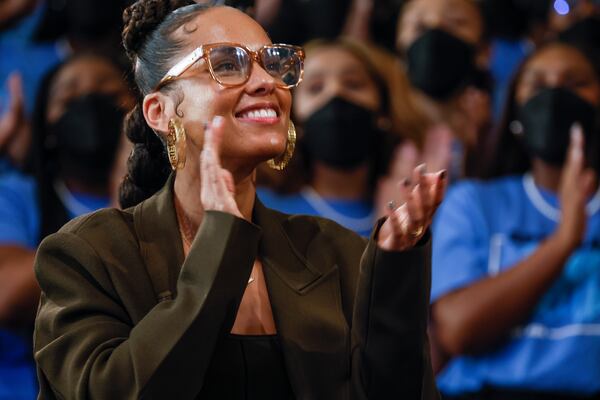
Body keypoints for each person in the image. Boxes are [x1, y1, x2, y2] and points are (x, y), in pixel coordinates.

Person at [33, 1, 447, 399]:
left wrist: (394, 274)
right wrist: (219, 243)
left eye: (272, 63)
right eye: (227, 64)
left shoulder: (334, 251)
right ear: (159, 111)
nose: (267, 81)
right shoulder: (88, 254)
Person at [430, 41, 600, 398]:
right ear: (515, 113)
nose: (555, 94)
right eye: (538, 85)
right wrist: (563, 242)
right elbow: (458, 330)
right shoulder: (473, 203)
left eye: (574, 83)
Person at [0, 52, 132, 399]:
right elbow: (9, 297)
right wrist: (122, 205)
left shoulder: (175, 201)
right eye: (70, 97)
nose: (89, 101)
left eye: (108, 93)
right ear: (46, 127)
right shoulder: (16, 196)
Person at [257, 38, 401, 236]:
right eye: (316, 88)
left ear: (383, 113)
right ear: (296, 120)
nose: (335, 92)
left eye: (353, 84)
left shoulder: (409, 210)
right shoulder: (263, 209)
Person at [395, 0, 493, 182]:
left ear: (485, 51)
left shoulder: (493, 140)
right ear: (399, 45)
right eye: (419, 25)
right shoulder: (380, 133)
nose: (435, 29)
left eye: (456, 22)